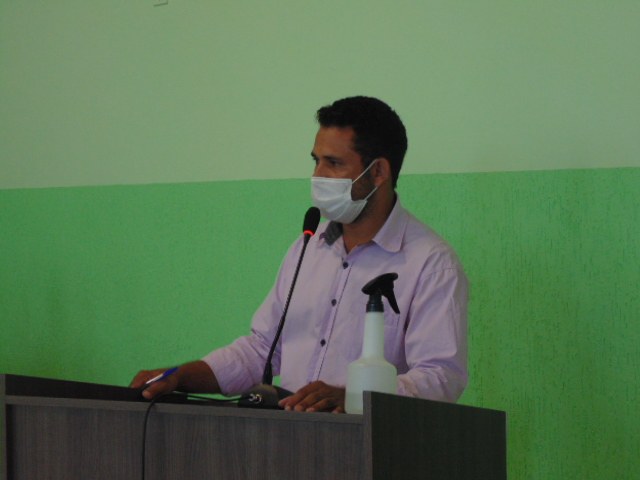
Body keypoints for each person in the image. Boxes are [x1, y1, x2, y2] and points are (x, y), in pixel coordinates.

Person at [130, 96, 468, 413]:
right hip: (292, 439)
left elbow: (441, 377)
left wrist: (353, 397)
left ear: (378, 172)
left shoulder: (431, 263)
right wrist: (181, 376)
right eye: (315, 160)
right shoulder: (308, 247)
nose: (318, 175)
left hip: (370, 445)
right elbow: (262, 350)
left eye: (333, 163)